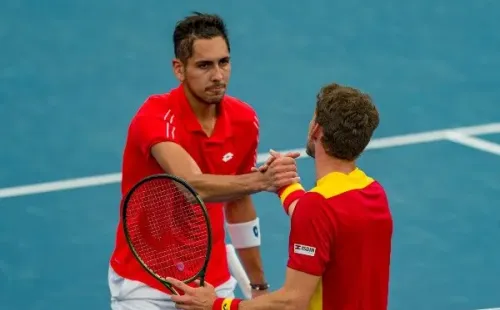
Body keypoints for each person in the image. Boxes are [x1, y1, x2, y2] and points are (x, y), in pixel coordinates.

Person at [107, 12, 301, 310]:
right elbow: (192, 185)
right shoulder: (155, 117)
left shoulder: (244, 120)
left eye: (224, 62)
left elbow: (239, 204)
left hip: (212, 283)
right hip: (146, 284)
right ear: (179, 69)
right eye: (204, 65)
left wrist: (259, 286)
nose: (218, 76)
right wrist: (264, 180)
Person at [165, 83, 394, 310]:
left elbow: (291, 303)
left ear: (316, 130)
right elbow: (322, 219)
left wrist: (217, 305)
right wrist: (286, 186)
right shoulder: (373, 192)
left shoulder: (317, 208)